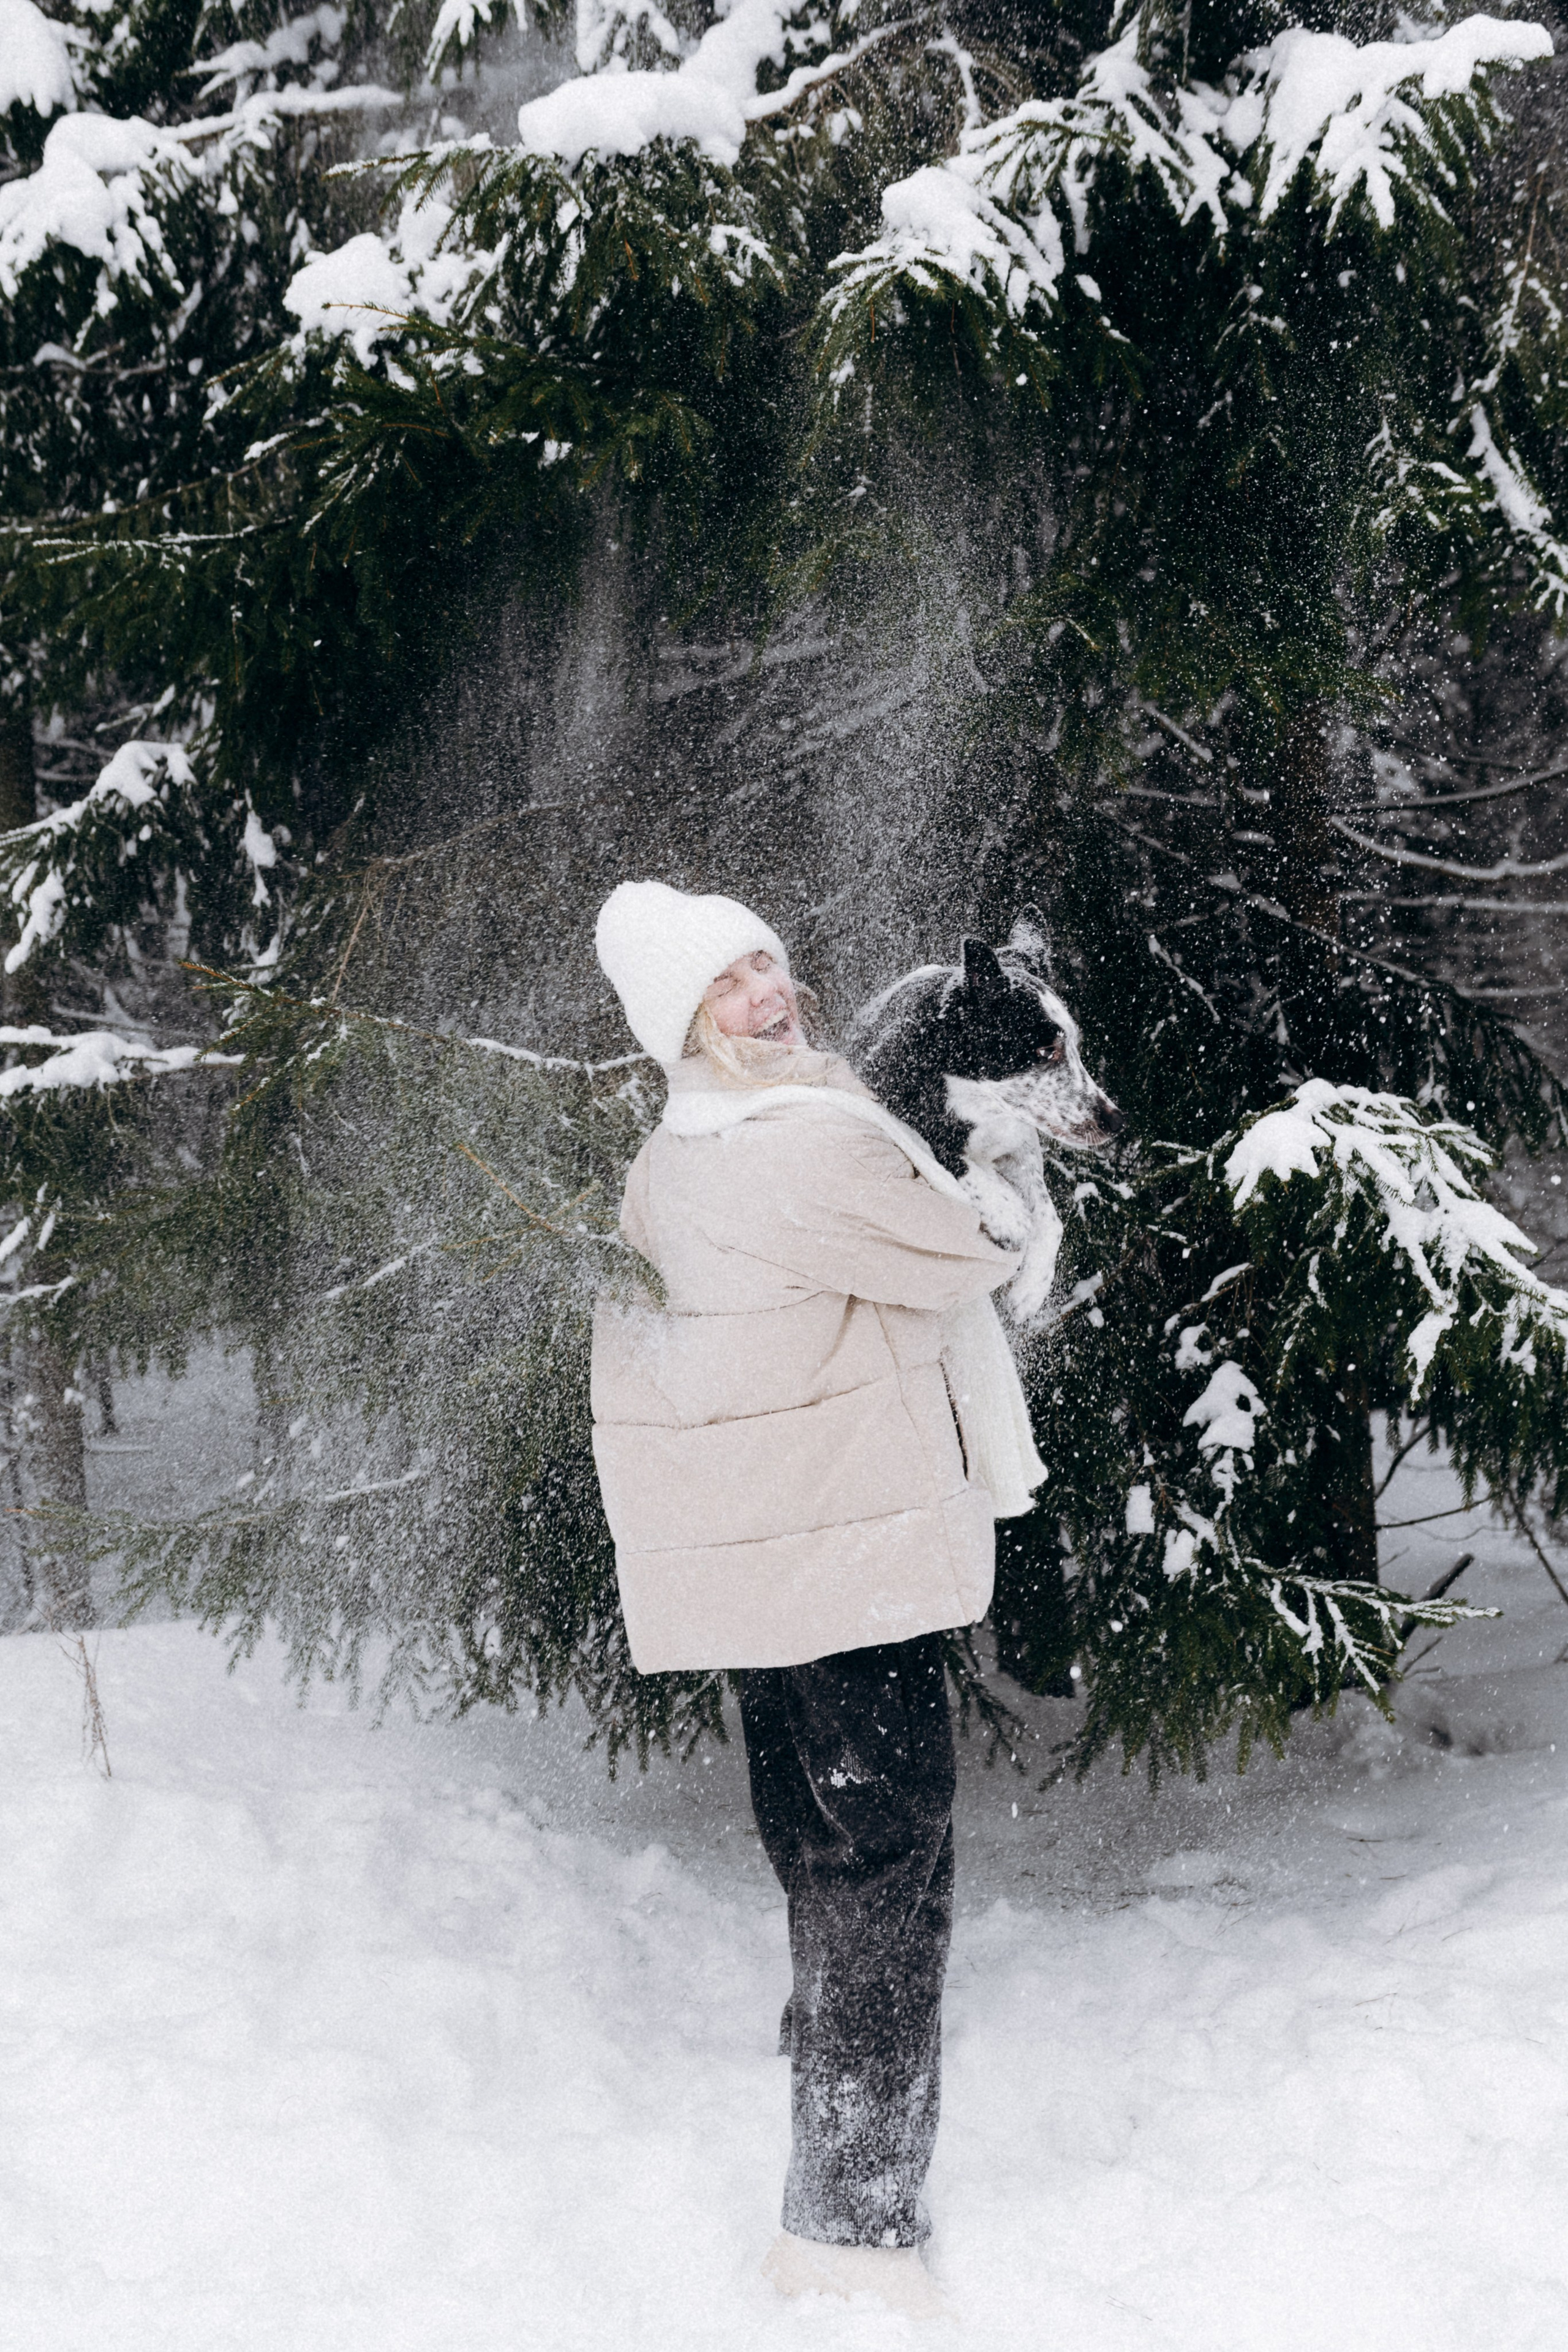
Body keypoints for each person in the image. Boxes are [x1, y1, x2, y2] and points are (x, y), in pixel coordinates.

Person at [590, 880, 1043, 2321]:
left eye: (767, 961)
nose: (765, 994)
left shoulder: (673, 1155)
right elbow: (970, 1255)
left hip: (768, 1564)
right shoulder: (789, 1151)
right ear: (680, 1019)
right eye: (725, 984)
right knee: (883, 1862)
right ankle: (847, 2227)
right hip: (841, 1566)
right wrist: (1006, 1170)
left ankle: (828, 2099)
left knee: (818, 1842)